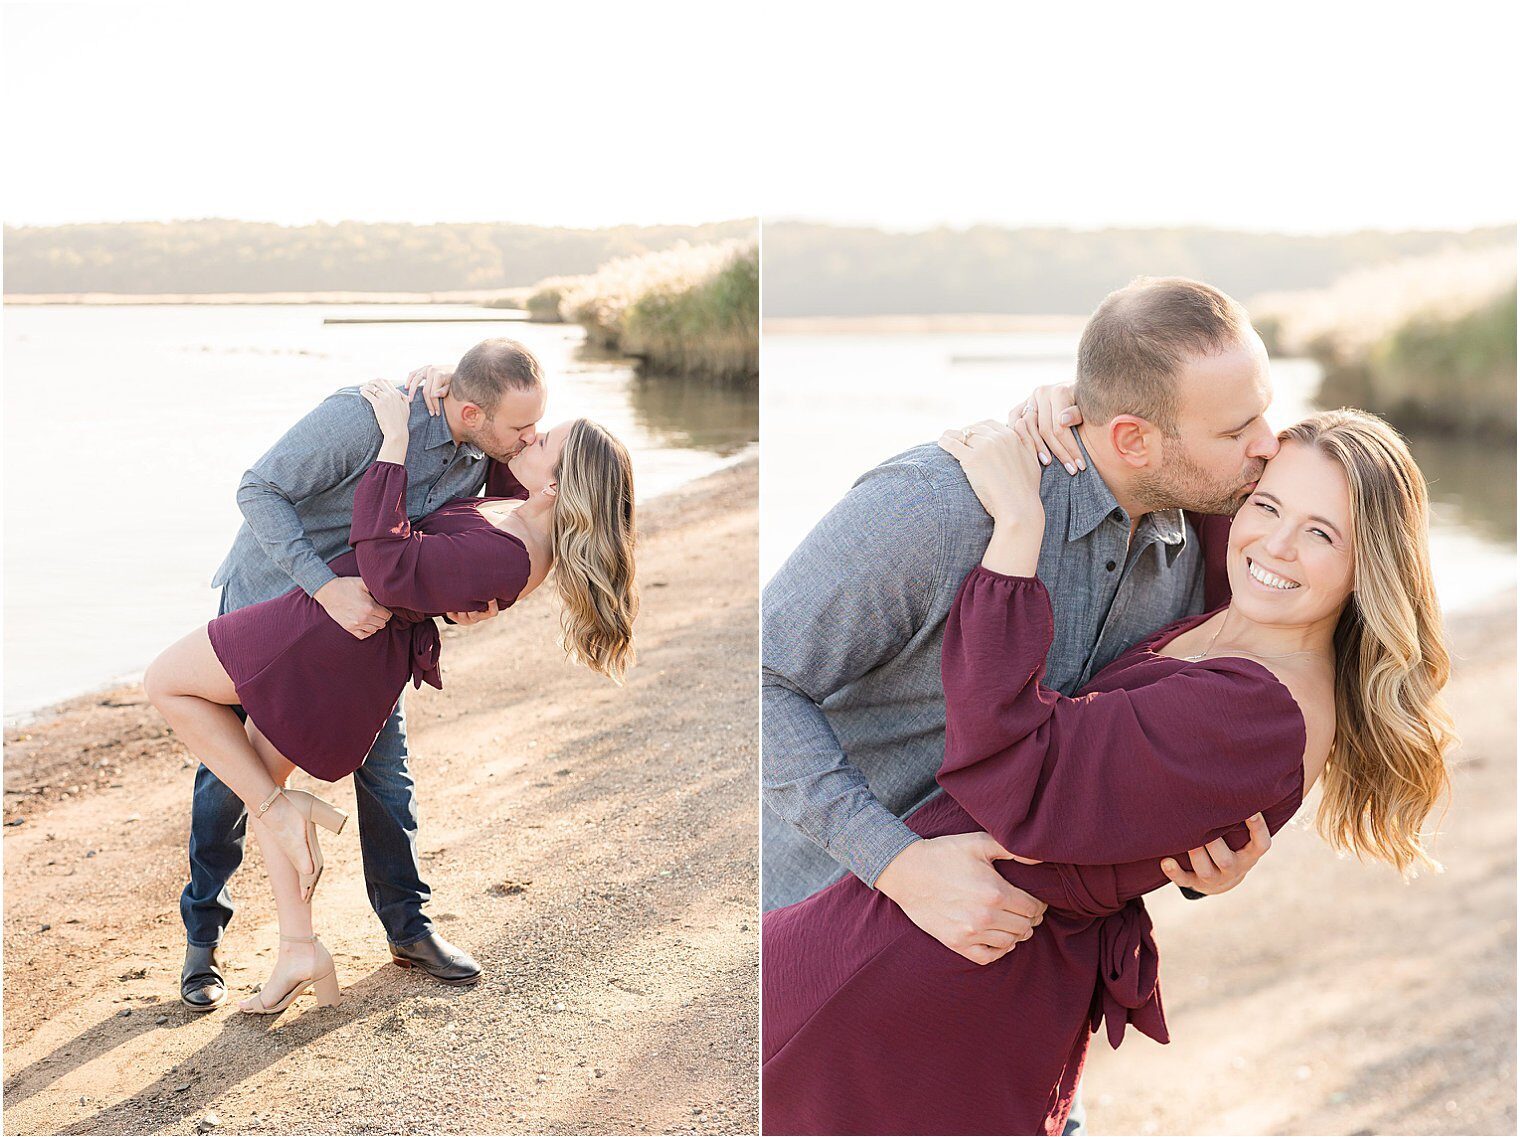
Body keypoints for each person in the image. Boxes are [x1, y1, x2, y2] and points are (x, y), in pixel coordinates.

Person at [762, 407, 1454, 1134]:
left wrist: (1017, 530)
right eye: (1266, 503)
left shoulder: (1262, 711)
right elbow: (1185, 438)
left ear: (1368, 563)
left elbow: (1014, 773)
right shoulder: (1247, 599)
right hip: (940, 955)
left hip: (931, 984)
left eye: (1321, 533)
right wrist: (1080, 411)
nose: (1274, 544)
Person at [761, 277, 1281, 1132]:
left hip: (1023, 991)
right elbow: (763, 681)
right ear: (1132, 438)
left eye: (1264, 410)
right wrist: (897, 862)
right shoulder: (937, 507)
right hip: (836, 954)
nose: (1268, 443)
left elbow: (1112, 758)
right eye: (1237, 429)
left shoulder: (1208, 536)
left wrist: (1191, 861)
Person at [147, 379, 638, 1013]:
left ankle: (401, 927)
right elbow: (258, 490)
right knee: (235, 782)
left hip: (354, 636)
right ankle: (211, 938)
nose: (526, 438)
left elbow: (436, 550)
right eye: (524, 427)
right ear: (472, 412)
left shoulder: (491, 472)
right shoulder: (372, 419)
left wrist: (461, 575)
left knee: (365, 785)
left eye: (538, 433)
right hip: (286, 597)